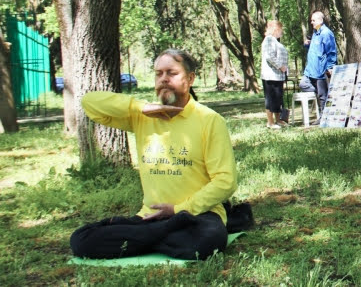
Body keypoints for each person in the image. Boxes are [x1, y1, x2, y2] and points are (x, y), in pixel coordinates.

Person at [70, 49, 238, 260]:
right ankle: (161, 236)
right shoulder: (142, 117)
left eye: (171, 73)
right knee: (81, 239)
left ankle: (140, 239)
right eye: (159, 74)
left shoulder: (209, 120)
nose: (164, 79)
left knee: (208, 240)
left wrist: (179, 209)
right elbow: (90, 104)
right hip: (151, 216)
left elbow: (226, 181)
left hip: (197, 216)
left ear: (191, 78)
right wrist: (139, 107)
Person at [299, 10, 337, 124]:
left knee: (322, 95)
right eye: (311, 20)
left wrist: (330, 66)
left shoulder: (326, 33)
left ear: (320, 20)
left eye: (313, 20)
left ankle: (324, 117)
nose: (311, 22)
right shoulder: (316, 32)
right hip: (310, 69)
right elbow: (316, 48)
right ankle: (324, 94)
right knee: (303, 84)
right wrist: (308, 44)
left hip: (320, 69)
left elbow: (331, 51)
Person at [261, 20, 289, 129]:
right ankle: (270, 122)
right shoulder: (268, 40)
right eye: (281, 29)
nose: (282, 32)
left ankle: (278, 120)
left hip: (278, 76)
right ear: (276, 29)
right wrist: (281, 66)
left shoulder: (275, 41)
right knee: (270, 99)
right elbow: (269, 56)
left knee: (278, 98)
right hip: (270, 75)